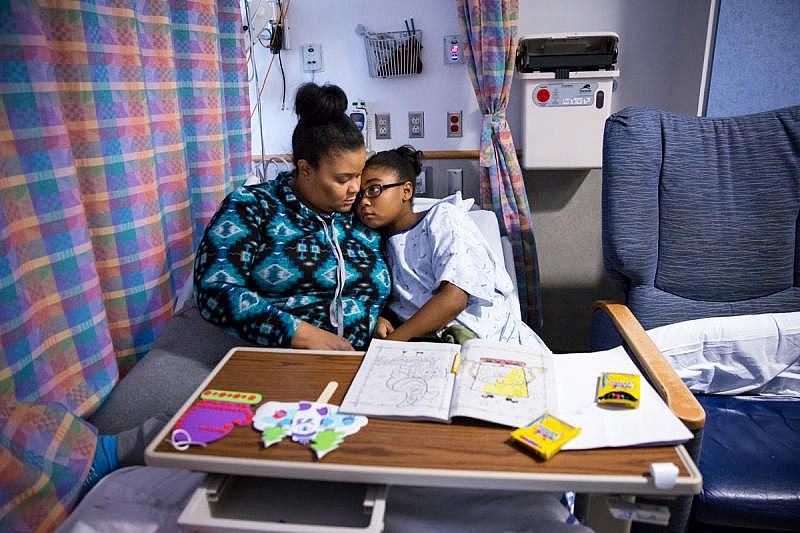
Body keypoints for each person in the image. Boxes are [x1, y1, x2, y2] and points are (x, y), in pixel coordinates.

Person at [194, 83, 390, 351]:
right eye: (343, 179)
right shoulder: (252, 206)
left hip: (368, 355)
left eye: (359, 174)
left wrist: (375, 316)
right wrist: (300, 334)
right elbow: (215, 290)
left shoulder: (362, 214)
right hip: (285, 356)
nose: (356, 188)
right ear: (306, 169)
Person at [356, 145, 549, 352]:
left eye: (374, 189)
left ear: (406, 190)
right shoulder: (374, 243)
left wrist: (389, 345)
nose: (364, 201)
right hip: (436, 349)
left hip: (492, 343)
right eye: (358, 195)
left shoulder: (442, 219)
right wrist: (384, 318)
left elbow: (453, 298)